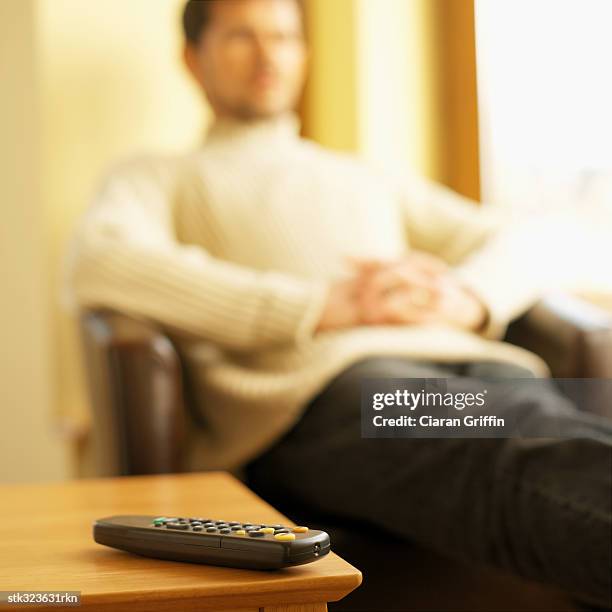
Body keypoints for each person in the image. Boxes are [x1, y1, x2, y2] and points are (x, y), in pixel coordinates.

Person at [65, 0, 612, 608]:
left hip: (486, 370)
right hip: (325, 392)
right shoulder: (160, 176)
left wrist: (467, 298)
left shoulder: (364, 175)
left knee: (565, 434)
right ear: (193, 59)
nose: (270, 54)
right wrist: (320, 306)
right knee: (511, 450)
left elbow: (525, 238)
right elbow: (99, 259)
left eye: (284, 37)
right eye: (243, 37)